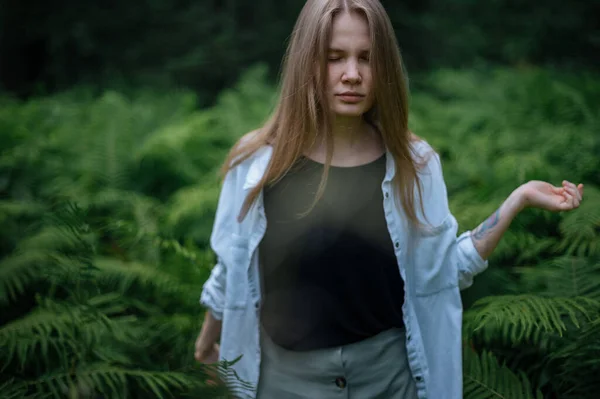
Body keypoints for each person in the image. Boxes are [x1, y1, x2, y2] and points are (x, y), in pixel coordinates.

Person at [193, 0, 585, 398]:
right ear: (306, 63)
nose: (352, 75)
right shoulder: (257, 164)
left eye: (367, 58)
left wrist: (516, 200)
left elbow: (443, 271)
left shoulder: (415, 165)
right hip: (283, 383)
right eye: (334, 58)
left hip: (389, 381)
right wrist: (209, 341)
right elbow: (233, 263)